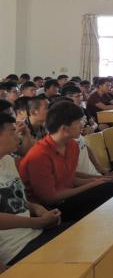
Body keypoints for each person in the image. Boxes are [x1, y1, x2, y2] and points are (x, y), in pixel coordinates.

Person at [18, 101, 113, 222]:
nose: (82, 125)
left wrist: (99, 179)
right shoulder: (39, 155)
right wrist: (91, 184)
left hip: (68, 197)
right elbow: (50, 199)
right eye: (78, 122)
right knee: (111, 190)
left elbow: (69, 177)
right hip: (52, 210)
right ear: (64, 129)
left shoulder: (72, 145)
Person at [0, 114, 69, 269]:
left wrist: (38, 209)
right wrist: (37, 222)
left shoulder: (7, 161)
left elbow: (17, 199)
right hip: (15, 250)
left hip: (34, 234)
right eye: (12, 132)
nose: (17, 136)